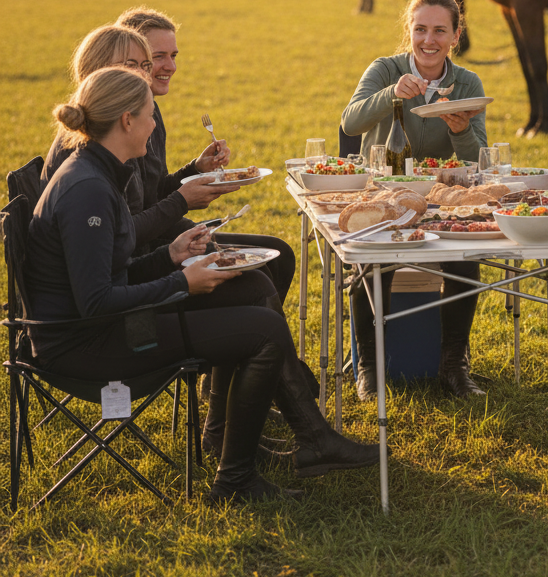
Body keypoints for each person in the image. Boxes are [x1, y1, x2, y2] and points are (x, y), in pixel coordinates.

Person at [27, 67, 378, 503]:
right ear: (127, 121)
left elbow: (113, 269)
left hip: (108, 325)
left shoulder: (99, 171)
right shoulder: (88, 190)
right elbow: (97, 302)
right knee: (263, 333)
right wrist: (182, 282)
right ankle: (237, 482)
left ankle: (304, 438)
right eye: (150, 114)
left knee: (250, 289)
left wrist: (171, 254)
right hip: (91, 345)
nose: (155, 124)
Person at [341, 0, 488, 398]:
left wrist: (460, 131)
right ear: (409, 30)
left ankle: (453, 364)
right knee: (373, 259)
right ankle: (370, 367)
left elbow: (480, 161)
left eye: (440, 31)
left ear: (456, 37)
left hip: (442, 200)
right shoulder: (386, 69)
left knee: (466, 257)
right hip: (382, 195)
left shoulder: (466, 82)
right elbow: (350, 123)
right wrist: (392, 95)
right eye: (420, 29)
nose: (429, 40)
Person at [115, 6, 296, 303]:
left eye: (173, 56)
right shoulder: (120, 127)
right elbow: (129, 229)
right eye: (157, 57)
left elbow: (153, 191)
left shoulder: (150, 113)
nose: (170, 67)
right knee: (256, 282)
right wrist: (183, 200)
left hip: (161, 240)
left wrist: (195, 169)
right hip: (146, 257)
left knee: (280, 255)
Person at [41, 24, 230, 258]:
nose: (144, 76)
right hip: (127, 266)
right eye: (131, 66)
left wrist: (196, 170)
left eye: (145, 65)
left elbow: (150, 197)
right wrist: (181, 204)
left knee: (260, 260)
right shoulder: (100, 137)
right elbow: (119, 239)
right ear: (98, 71)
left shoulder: (130, 123)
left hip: (135, 259)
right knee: (249, 274)